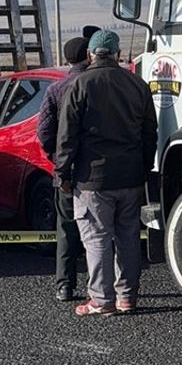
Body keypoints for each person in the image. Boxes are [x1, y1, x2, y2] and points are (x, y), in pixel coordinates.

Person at [56, 29, 157, 316]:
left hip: (92, 179)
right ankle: (127, 298)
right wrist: (145, 165)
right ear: (118, 54)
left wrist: (62, 172)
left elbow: (67, 136)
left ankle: (102, 300)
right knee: (128, 238)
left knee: (97, 238)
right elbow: (151, 132)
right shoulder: (138, 85)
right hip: (131, 176)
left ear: (90, 55)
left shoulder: (80, 85)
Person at [36, 36, 90, 302]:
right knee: (104, 230)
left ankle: (65, 286)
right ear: (88, 56)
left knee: (67, 229)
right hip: (98, 170)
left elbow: (44, 132)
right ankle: (107, 285)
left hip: (67, 171)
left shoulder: (56, 90)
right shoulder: (95, 85)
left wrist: (56, 158)